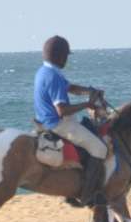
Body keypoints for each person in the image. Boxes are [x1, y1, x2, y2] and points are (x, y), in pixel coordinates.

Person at [32, 35, 108, 207]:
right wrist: (89, 103)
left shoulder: (44, 72)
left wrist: (90, 91)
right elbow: (62, 110)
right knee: (100, 148)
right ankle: (88, 196)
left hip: (43, 120)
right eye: (66, 56)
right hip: (58, 124)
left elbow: (70, 87)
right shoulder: (54, 77)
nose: (67, 59)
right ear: (59, 56)